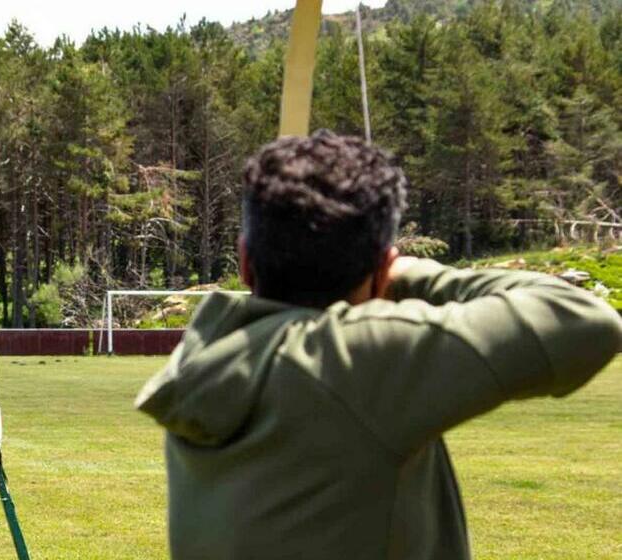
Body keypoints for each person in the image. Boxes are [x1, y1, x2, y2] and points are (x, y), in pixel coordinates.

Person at [135, 130, 621, 559]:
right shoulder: (351, 363)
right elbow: (584, 321)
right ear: (383, 267)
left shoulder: (208, 350)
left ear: (245, 262)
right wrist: (409, 274)